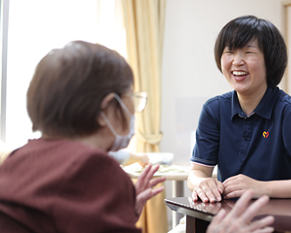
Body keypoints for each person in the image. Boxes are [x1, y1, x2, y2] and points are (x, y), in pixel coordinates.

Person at [0, 41, 274, 233]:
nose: (134, 107)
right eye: (131, 97)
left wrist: (118, 215)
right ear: (107, 108)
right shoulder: (96, 170)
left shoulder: (15, 159)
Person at [188, 15, 291, 203]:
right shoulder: (214, 110)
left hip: (280, 221)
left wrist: (260, 188)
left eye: (248, 52)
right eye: (229, 51)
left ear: (269, 61)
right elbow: (197, 172)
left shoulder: (289, 112)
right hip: (229, 220)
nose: (237, 61)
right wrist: (203, 182)